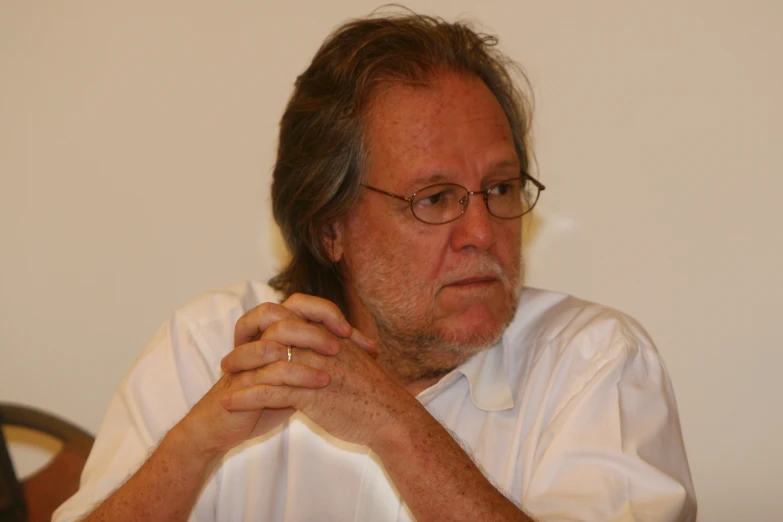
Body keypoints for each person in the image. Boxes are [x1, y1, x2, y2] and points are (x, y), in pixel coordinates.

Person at [54, 11, 697, 522]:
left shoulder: (595, 365)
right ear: (329, 228)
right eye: (435, 199)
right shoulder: (206, 350)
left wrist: (394, 423)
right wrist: (191, 452)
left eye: (500, 188)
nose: (482, 232)